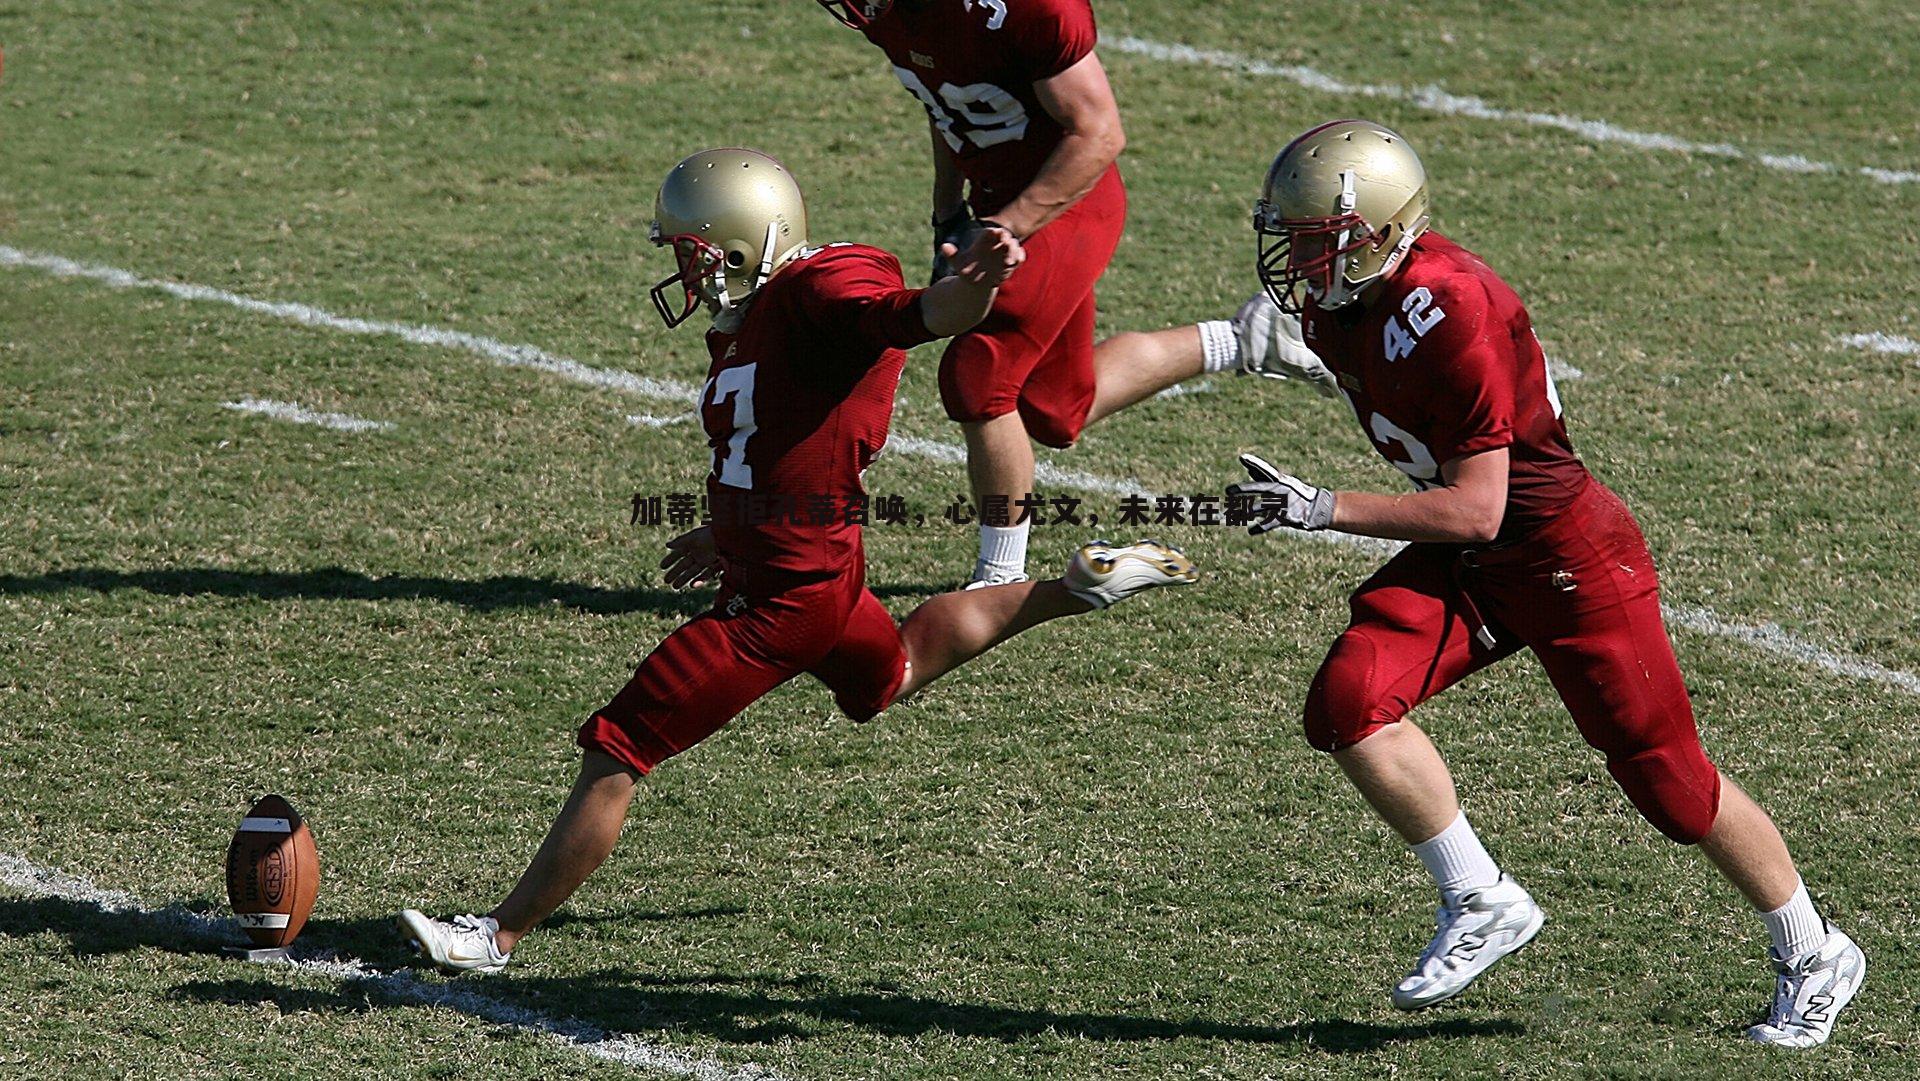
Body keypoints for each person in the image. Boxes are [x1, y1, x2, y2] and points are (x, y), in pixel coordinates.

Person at [398, 148, 1197, 972]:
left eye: (694, 250)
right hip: (822, 571)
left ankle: (494, 934)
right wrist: (730, 527)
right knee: (891, 674)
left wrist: (975, 287)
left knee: (620, 744)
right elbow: (786, 436)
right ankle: (1077, 587)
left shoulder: (822, 291)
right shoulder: (765, 313)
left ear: (747, 243)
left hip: (777, 606)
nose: (683, 267)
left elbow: (917, 314)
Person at [1227, 120, 1863, 1048]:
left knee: (1670, 784)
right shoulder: (1338, 301)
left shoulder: (1455, 307)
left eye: (1317, 236)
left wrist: (1322, 507)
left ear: (1378, 232)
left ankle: (1816, 950)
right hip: (1481, 560)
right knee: (1350, 699)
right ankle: (1480, 896)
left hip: (1560, 552)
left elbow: (1478, 508)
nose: (1297, 256)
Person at [817, 0, 1326, 587]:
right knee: (1058, 409)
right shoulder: (893, 15)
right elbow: (948, 106)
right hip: (998, 206)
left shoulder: (1025, 9)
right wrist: (948, 210)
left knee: (977, 376)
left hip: (1068, 205)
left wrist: (1009, 224)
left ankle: (1000, 576)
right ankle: (1249, 339)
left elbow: (1100, 132)